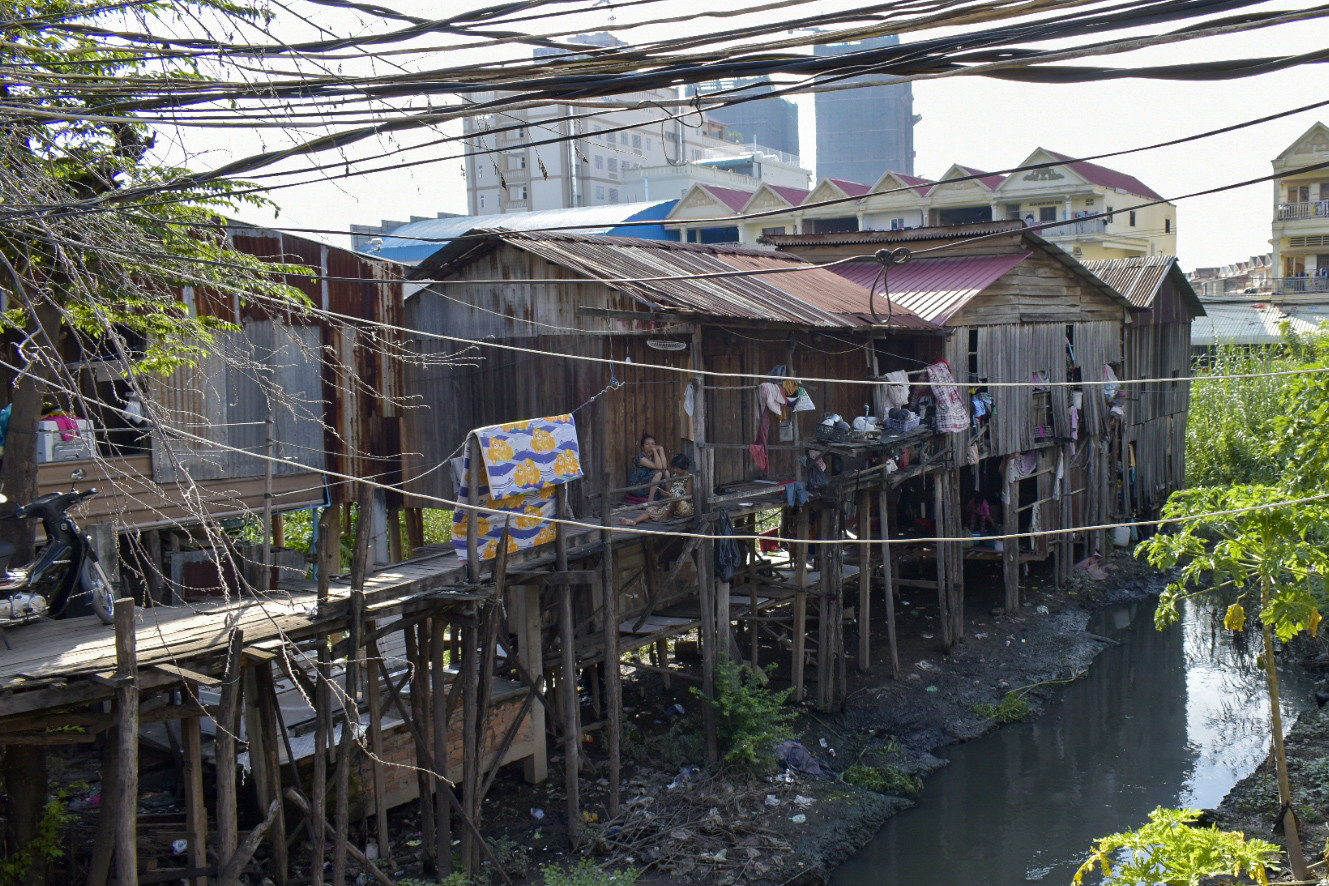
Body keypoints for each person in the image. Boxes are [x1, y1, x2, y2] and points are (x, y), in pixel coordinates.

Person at [621, 454, 693, 525]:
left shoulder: (689, 478)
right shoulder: (675, 476)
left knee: (670, 502)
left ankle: (666, 516)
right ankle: (634, 521)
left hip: (683, 507)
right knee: (653, 508)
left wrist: (672, 497)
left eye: (677, 468)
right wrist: (667, 494)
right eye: (674, 468)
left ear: (684, 467)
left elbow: (688, 499)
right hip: (671, 504)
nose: (675, 470)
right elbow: (670, 491)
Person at [628, 433, 669, 502]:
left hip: (648, 485)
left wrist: (661, 450)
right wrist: (655, 451)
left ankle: (669, 496)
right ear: (642, 447)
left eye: (653, 444)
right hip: (637, 487)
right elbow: (658, 467)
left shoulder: (654, 457)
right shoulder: (640, 458)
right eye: (647, 444)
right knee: (658, 473)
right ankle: (650, 500)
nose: (651, 446)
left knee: (666, 472)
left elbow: (664, 467)